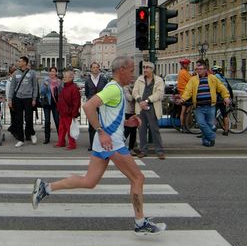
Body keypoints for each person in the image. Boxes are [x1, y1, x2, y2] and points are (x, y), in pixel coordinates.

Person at [32, 55, 166, 235]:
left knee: (89, 181)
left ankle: (45, 188)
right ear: (122, 70)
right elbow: (88, 106)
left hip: (104, 142)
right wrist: (101, 132)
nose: (134, 74)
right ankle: (140, 223)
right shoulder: (114, 89)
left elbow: (106, 114)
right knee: (138, 178)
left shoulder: (115, 88)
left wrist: (126, 123)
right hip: (112, 143)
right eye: (132, 70)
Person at [177, 59, 231, 147]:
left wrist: (226, 97)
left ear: (205, 69)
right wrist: (183, 99)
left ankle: (206, 141)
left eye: (200, 69)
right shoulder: (193, 80)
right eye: (197, 69)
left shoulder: (213, 78)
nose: (198, 71)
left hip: (210, 105)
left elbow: (221, 87)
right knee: (201, 123)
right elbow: (188, 91)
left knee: (209, 124)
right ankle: (212, 136)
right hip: (199, 106)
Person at [132, 61, 165, 160]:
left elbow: (159, 94)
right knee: (141, 130)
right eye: (144, 67)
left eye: (147, 68)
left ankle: (159, 151)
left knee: (155, 130)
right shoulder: (140, 79)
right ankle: (143, 150)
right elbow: (135, 91)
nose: (145, 69)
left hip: (152, 107)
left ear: (152, 69)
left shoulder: (158, 80)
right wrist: (140, 100)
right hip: (141, 108)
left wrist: (147, 100)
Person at [7, 56, 39, 147]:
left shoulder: (32, 73)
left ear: (25, 62)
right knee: (18, 119)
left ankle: (32, 133)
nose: (18, 62)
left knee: (28, 118)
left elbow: (35, 87)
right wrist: (10, 99)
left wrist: (34, 99)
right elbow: (12, 87)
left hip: (28, 98)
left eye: (20, 61)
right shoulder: (15, 73)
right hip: (18, 98)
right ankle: (21, 139)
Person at [84, 62, 108, 151]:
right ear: (91, 69)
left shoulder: (104, 80)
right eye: (93, 67)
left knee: (102, 124)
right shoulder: (87, 80)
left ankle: (102, 143)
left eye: (97, 67)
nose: (95, 69)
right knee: (92, 125)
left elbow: (106, 92)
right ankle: (92, 144)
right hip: (92, 106)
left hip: (101, 105)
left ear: (99, 69)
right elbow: (86, 93)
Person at [55, 70, 81, 150]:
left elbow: (76, 103)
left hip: (69, 113)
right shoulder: (65, 87)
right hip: (63, 112)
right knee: (61, 129)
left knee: (70, 130)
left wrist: (74, 113)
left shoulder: (74, 88)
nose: (64, 78)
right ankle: (61, 142)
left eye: (66, 77)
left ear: (71, 77)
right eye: (64, 77)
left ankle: (72, 144)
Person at [40, 66, 62, 144]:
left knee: (57, 121)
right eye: (51, 71)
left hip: (55, 104)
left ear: (56, 73)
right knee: (47, 121)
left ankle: (61, 138)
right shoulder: (45, 81)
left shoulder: (59, 82)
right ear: (49, 72)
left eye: (54, 71)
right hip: (47, 103)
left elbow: (61, 92)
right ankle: (47, 138)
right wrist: (45, 86)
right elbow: (42, 92)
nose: (52, 73)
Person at [211, 65, 234, 136]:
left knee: (212, 114)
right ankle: (226, 130)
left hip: (216, 98)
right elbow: (229, 88)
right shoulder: (223, 77)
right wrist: (231, 98)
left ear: (214, 71)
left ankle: (212, 129)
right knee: (225, 115)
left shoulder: (214, 77)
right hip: (224, 98)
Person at [177, 58, 192, 132]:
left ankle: (182, 126)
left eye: (188, 64)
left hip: (182, 93)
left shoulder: (181, 72)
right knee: (187, 111)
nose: (188, 65)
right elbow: (191, 80)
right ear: (183, 65)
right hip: (186, 94)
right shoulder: (184, 72)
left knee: (183, 111)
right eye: (187, 64)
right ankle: (184, 126)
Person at [123, 81, 138, 155]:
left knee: (133, 132)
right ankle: (119, 146)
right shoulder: (125, 87)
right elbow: (130, 98)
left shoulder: (136, 88)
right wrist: (136, 94)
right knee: (126, 130)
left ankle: (131, 148)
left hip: (135, 112)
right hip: (127, 112)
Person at [5, 66, 18, 139]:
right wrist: (9, 102)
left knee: (16, 117)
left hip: (16, 101)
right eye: (14, 73)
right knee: (14, 117)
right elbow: (7, 93)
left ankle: (13, 129)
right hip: (12, 102)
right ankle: (13, 130)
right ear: (11, 73)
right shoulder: (9, 82)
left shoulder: (14, 80)